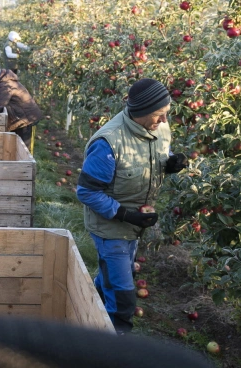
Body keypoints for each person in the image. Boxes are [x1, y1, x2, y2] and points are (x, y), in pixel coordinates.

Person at [75, 78, 187, 334]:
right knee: (124, 298)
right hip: (110, 227)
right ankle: (116, 346)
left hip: (133, 226)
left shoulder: (159, 129)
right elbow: (87, 191)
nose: (165, 121)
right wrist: (125, 214)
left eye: (167, 114)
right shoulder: (108, 144)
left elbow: (155, 156)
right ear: (140, 113)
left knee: (111, 280)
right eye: (160, 115)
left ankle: (86, 316)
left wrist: (170, 163)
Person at [0, 63, 43, 151]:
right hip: (18, 116)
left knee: (24, 148)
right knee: (15, 144)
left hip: (27, 118)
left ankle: (26, 163)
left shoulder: (5, 86)